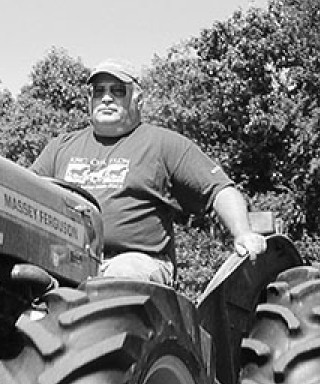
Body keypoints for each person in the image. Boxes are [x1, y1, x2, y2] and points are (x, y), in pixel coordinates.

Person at [31, 58, 267, 285]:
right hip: (66, 258)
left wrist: (243, 233)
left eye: (117, 90)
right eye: (98, 91)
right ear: (89, 99)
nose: (106, 98)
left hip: (137, 261)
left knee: (118, 278)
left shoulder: (165, 144)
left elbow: (220, 191)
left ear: (138, 99)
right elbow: (24, 189)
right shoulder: (60, 147)